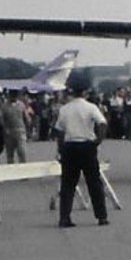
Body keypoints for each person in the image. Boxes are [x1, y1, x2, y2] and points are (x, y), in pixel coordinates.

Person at [53, 84, 109, 228]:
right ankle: (101, 216)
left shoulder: (65, 109)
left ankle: (64, 217)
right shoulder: (91, 107)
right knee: (94, 183)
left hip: (70, 147)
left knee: (68, 184)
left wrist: (60, 150)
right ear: (85, 92)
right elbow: (102, 123)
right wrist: (98, 140)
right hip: (87, 146)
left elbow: (59, 131)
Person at [0, 89, 30, 164]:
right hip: (9, 132)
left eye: (15, 95)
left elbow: (26, 116)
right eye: (12, 95)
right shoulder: (4, 106)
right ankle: (11, 170)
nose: (14, 97)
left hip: (20, 131)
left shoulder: (21, 104)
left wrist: (28, 123)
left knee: (22, 152)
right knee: (10, 154)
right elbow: (0, 118)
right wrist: (5, 128)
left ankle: (23, 168)